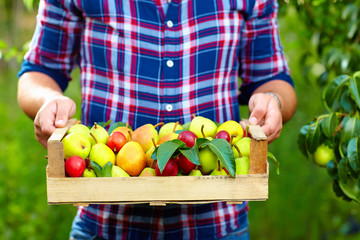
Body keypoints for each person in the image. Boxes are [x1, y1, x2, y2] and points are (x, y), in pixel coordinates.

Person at [17, 0, 297, 239]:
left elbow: (274, 79)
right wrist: (47, 100)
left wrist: (273, 100)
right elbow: (39, 71)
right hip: (106, 224)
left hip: (218, 222)